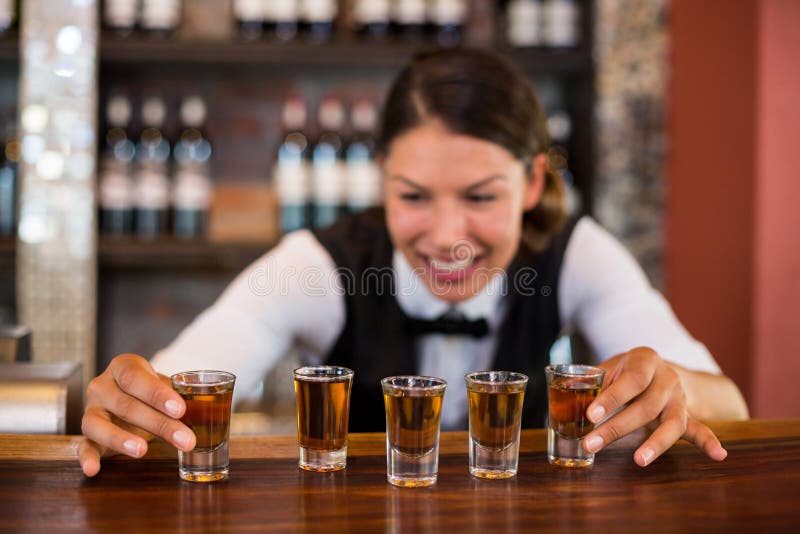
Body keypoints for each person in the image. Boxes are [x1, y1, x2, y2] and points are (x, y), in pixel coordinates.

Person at [79, 48, 748, 477]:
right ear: (381, 182)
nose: (449, 235)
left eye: (482, 197)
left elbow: (732, 408)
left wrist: (679, 390)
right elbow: (175, 386)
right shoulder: (320, 263)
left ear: (534, 185)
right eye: (413, 196)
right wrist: (133, 404)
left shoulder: (577, 253)